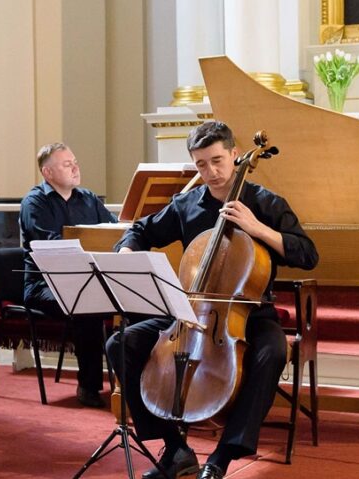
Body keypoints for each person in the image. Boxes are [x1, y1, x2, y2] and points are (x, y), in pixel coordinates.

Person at [107, 121, 319, 479]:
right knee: (120, 343)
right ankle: (175, 449)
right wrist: (127, 250)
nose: (211, 171)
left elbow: (308, 254)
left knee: (273, 352)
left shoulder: (266, 203)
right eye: (201, 164)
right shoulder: (187, 204)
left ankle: (222, 455)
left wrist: (258, 229)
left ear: (235, 155)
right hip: (191, 310)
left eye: (218, 160)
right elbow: (141, 230)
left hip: (250, 312)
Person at [19, 143, 118, 408]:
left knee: (127, 299)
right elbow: (50, 243)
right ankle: (89, 386)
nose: (75, 167)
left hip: (84, 279)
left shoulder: (88, 198)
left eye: (75, 161)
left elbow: (113, 231)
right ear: (48, 172)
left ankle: (130, 382)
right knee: (86, 305)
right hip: (44, 285)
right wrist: (93, 243)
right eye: (66, 164)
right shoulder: (34, 202)